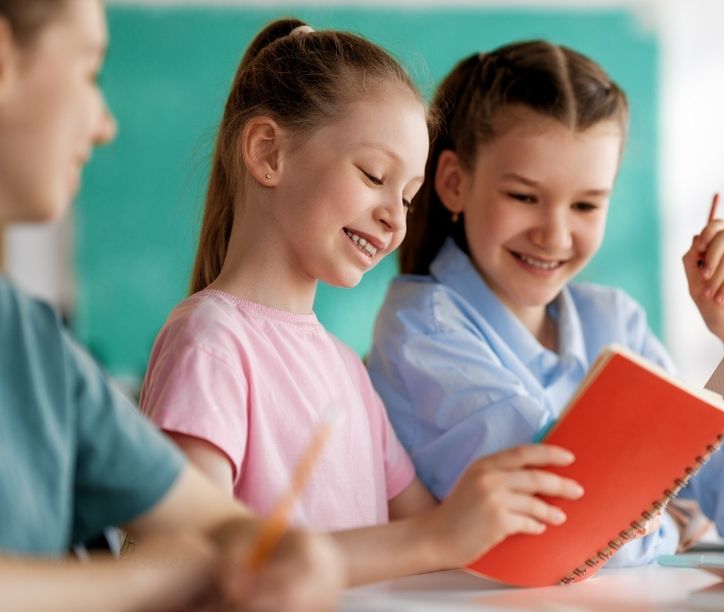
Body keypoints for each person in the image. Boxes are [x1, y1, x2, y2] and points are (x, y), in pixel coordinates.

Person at [140, 18, 584, 587]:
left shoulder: (347, 370)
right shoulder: (211, 344)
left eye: (408, 196)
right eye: (375, 175)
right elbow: (189, 567)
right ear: (268, 152)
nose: (395, 218)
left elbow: (437, 535)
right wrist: (439, 534)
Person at [367, 40, 724, 566]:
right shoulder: (422, 330)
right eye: (523, 197)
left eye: (585, 204)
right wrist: (679, 522)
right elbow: (561, 531)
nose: (555, 235)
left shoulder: (613, 321)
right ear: (454, 183)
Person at [0, 2, 343, 610]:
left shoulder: (33, 343)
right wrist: (160, 578)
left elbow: (217, 526)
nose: (105, 124)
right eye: (87, 71)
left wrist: (273, 553)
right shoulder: (208, 335)